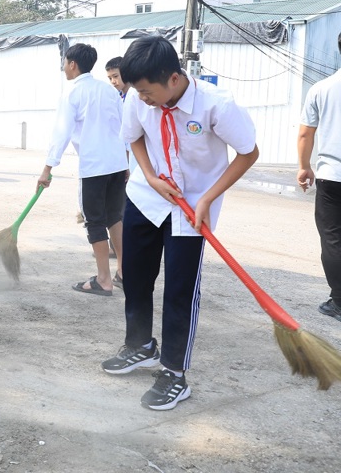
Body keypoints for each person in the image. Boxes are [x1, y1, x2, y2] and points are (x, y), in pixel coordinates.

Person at [101, 36, 258, 411]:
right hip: (146, 196)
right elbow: (133, 138)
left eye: (146, 91)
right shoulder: (138, 99)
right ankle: (140, 345)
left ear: (173, 78)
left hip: (192, 209)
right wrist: (151, 175)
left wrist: (207, 197)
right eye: (135, 91)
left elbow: (248, 153)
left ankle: (174, 372)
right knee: (135, 276)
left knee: (180, 292)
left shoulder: (217, 105)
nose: (142, 98)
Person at [38, 43, 128, 296]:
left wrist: (47, 169)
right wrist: (126, 162)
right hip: (117, 165)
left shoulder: (72, 93)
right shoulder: (109, 91)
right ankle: (124, 272)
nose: (64, 68)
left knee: (95, 221)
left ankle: (103, 280)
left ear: (73, 64)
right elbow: (123, 126)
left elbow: (61, 132)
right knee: (115, 217)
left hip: (95, 167)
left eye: (65, 63)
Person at [297, 31, 341, 322]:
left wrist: (304, 166)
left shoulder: (322, 88)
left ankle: (339, 301)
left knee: (333, 239)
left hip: (332, 176)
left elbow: (305, 133)